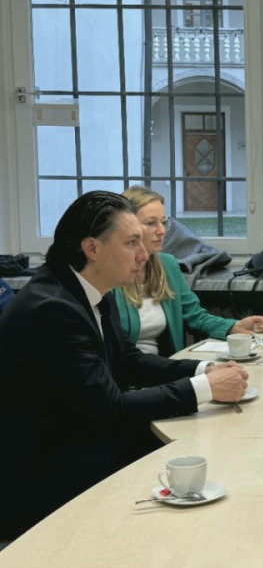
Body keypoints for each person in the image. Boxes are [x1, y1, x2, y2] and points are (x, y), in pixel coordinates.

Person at [0, 191, 248, 540]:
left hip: (78, 448)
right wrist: (205, 389)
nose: (144, 254)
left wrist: (203, 370)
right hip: (43, 480)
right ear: (92, 248)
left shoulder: (90, 289)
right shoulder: (52, 309)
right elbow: (109, 408)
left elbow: (128, 361)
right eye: (132, 242)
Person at [113, 186, 263, 355]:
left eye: (163, 222)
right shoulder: (109, 273)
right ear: (127, 227)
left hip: (165, 366)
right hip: (127, 369)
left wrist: (235, 326)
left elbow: (196, 317)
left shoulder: (167, 265)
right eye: (151, 223)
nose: (162, 231)